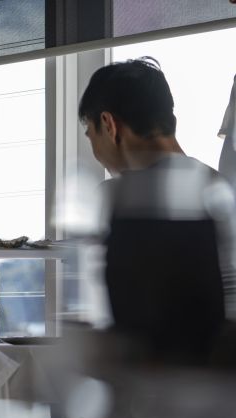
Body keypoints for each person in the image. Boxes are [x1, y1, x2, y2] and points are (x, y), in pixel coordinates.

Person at [78, 57, 236, 362]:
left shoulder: (121, 198)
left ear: (109, 125)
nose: (95, 151)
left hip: (170, 379)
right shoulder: (220, 189)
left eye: (91, 134)